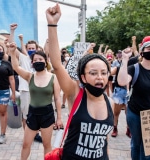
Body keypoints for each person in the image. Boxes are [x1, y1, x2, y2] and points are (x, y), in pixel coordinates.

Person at [46, 3, 114, 159]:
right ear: (83, 77)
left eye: (104, 73)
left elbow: (104, 140)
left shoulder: (110, 102)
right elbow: (56, 64)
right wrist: (52, 23)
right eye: (93, 72)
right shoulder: (74, 94)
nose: (100, 77)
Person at [117, 37, 150, 160]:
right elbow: (121, 81)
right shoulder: (134, 69)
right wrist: (125, 60)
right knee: (136, 144)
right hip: (135, 114)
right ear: (142, 52)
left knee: (149, 149)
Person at [9, 43, 63, 159]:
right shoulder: (30, 76)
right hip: (32, 113)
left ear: (46, 61)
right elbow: (16, 67)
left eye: (40, 59)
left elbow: (57, 98)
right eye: (35, 60)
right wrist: (12, 52)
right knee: (26, 144)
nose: (38, 61)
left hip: (47, 114)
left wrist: (59, 118)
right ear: (32, 63)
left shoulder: (53, 78)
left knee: (46, 145)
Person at [9, 23, 43, 143]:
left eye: (33, 48)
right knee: (26, 115)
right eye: (29, 48)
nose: (31, 50)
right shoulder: (24, 58)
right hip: (25, 91)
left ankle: (36, 134)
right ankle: (27, 135)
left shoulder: (40, 59)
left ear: (37, 49)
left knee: (37, 114)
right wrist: (12, 31)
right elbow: (12, 46)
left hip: (38, 91)